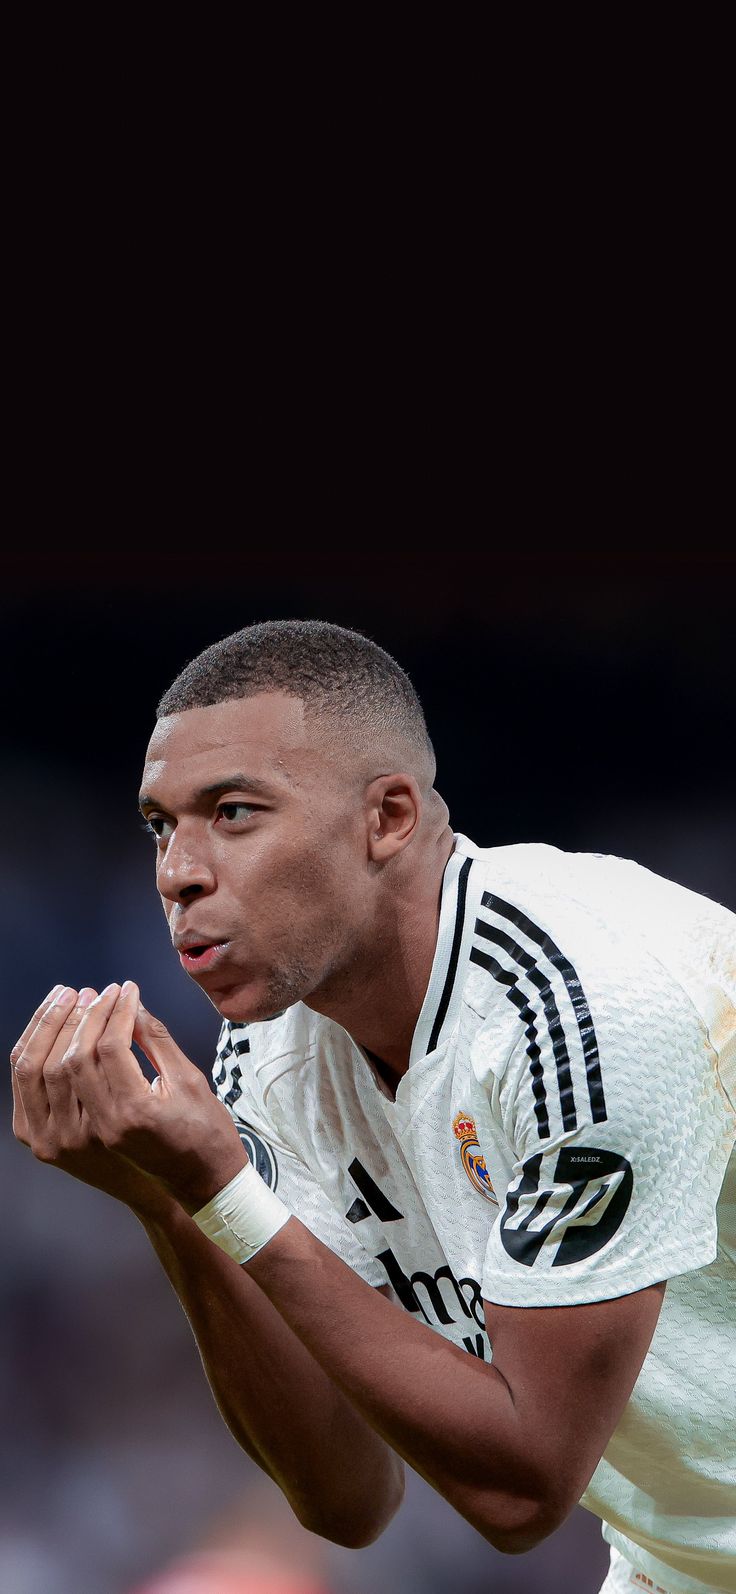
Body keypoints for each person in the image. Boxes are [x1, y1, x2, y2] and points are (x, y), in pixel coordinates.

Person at [11, 620, 735, 1594]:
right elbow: (348, 1497)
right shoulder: (271, 1048)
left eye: (231, 812)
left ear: (388, 816)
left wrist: (221, 1183)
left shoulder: (582, 1007)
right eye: (159, 825)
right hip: (679, 1562)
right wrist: (173, 1202)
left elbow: (524, 1492)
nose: (178, 871)